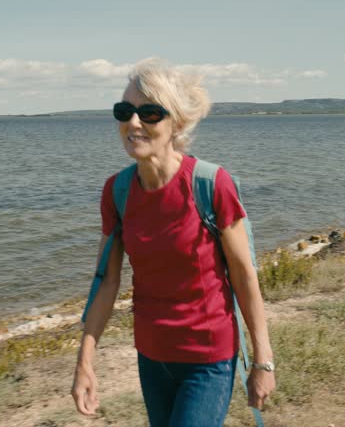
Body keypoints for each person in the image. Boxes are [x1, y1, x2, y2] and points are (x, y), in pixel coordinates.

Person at [71, 58, 275, 427]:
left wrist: (262, 360)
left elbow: (245, 277)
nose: (134, 123)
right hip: (152, 357)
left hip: (208, 359)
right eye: (125, 111)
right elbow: (106, 281)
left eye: (149, 113)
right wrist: (85, 362)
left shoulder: (212, 184)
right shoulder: (117, 191)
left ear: (176, 123)